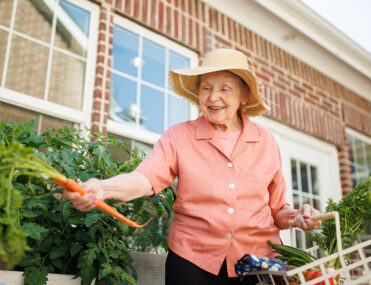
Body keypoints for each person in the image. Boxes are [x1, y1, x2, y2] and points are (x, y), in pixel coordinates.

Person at [63, 49, 321, 284]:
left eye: (225, 89)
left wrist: (297, 217)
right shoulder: (178, 137)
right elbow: (144, 178)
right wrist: (102, 188)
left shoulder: (266, 142)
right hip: (192, 262)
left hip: (258, 266)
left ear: (243, 95)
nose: (213, 97)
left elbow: (277, 209)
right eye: (206, 88)